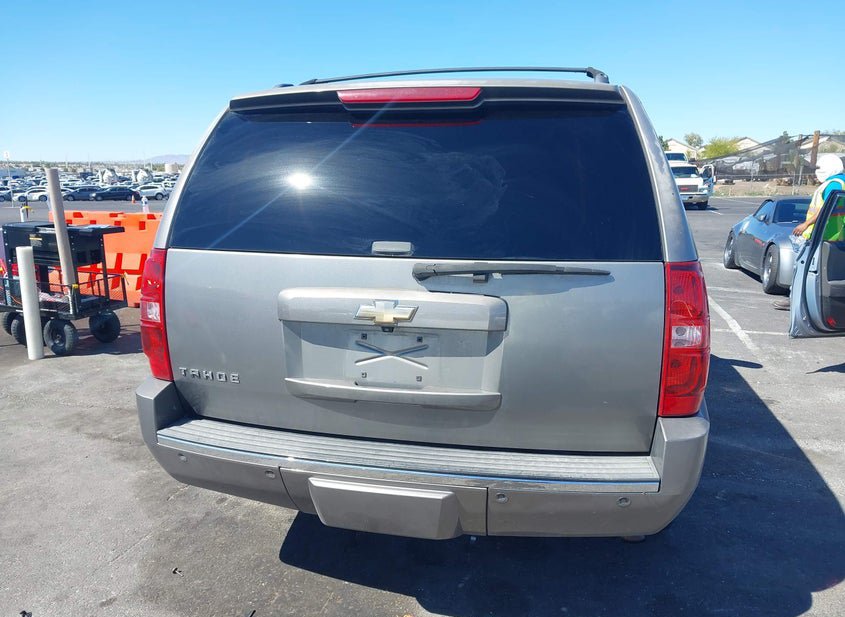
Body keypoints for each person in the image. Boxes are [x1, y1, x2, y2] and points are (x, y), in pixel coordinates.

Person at [773, 153, 845, 310]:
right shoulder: (841, 182)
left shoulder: (833, 184)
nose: (817, 171)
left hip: (822, 235)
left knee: (804, 268)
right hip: (834, 236)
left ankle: (797, 300)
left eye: (819, 168)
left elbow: (826, 208)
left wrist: (805, 224)